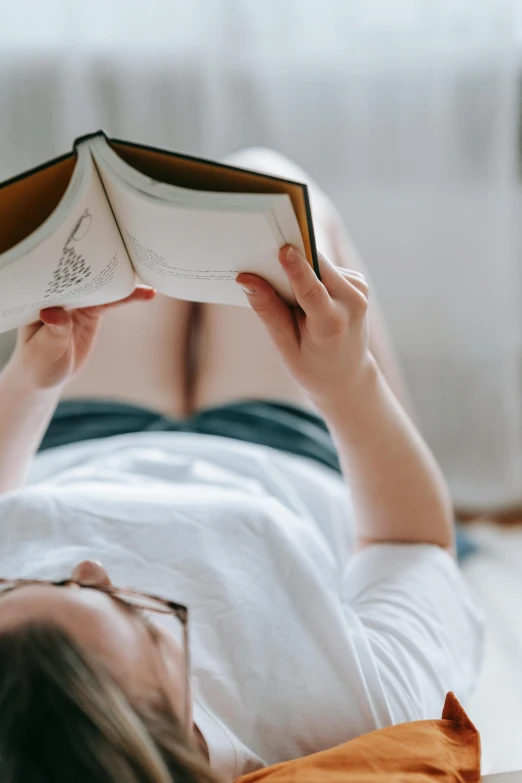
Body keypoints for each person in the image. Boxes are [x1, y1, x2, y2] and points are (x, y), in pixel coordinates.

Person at [0, 149, 483, 783]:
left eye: (31, 586)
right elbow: (413, 545)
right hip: (276, 449)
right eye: (141, 620)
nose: (90, 567)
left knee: (125, 232)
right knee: (272, 183)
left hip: (71, 442)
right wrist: (348, 383)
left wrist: (30, 381)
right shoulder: (341, 715)